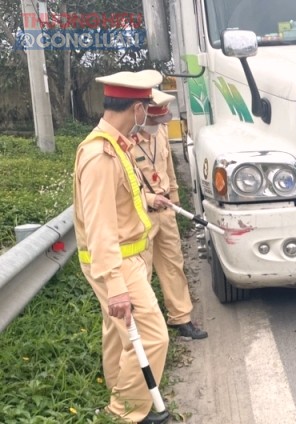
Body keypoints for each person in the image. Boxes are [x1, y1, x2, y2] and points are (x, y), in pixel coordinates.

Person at [73, 70, 170, 424]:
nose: (147, 113)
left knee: (118, 336)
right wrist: (116, 286)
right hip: (118, 262)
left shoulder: (115, 145)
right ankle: (125, 412)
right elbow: (100, 226)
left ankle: (118, 388)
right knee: (154, 337)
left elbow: (120, 196)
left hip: (122, 258)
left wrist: (146, 200)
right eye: (145, 106)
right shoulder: (101, 156)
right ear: (136, 108)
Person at [134, 89, 208, 340]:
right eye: (155, 121)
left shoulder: (161, 133)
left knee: (173, 266)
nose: (159, 125)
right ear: (143, 117)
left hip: (165, 211)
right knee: (141, 271)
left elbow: (168, 170)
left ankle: (181, 319)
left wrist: (173, 199)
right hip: (139, 216)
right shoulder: (124, 141)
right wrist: (148, 198)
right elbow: (120, 188)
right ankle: (144, 330)